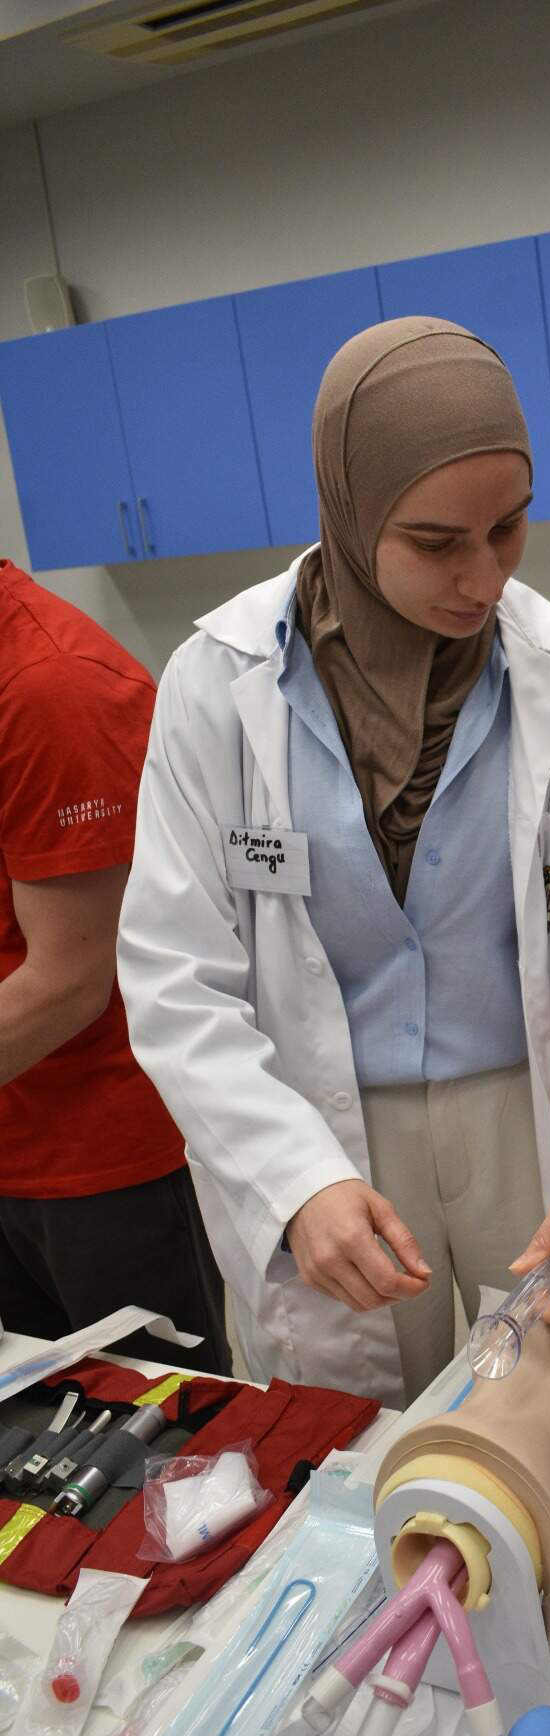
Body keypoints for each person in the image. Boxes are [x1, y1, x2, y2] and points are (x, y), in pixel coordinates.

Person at [118, 319, 550, 1409]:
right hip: (316, 1122)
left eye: (510, 528)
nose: (481, 578)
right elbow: (174, 977)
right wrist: (292, 1180)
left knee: (540, 1424)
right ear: (350, 511)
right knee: (344, 1443)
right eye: (437, 541)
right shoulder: (220, 685)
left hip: (520, 1112)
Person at [0, 558, 230, 1374]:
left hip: (99, 1168)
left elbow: (70, 980)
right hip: (12, 1132)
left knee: (158, 1442)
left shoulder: (50, 689)